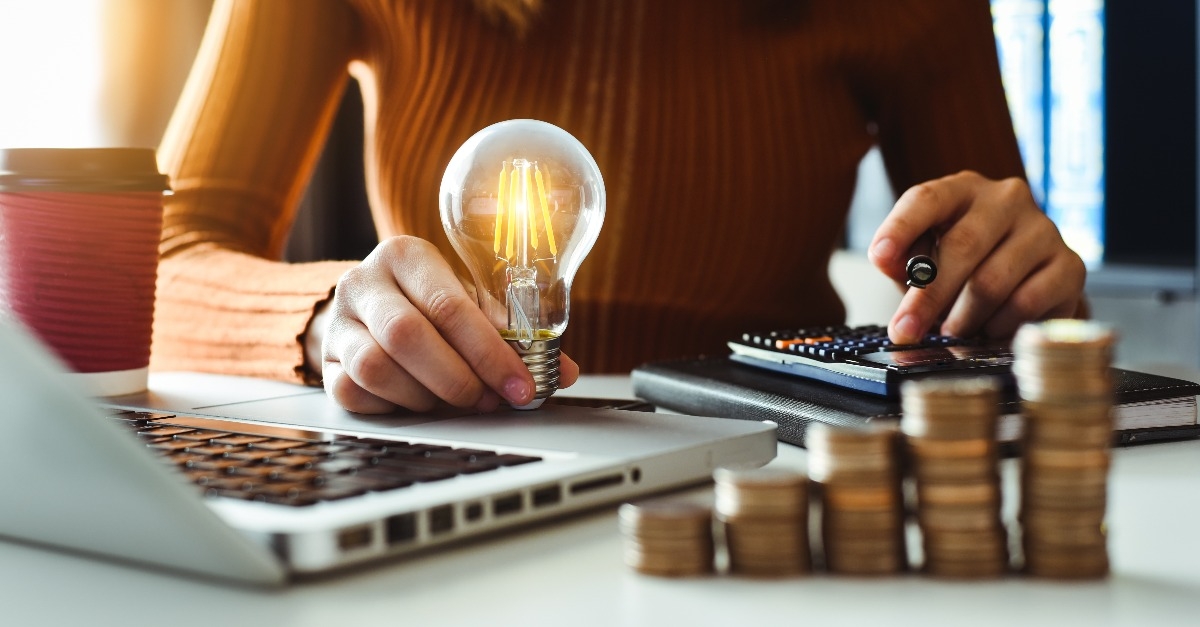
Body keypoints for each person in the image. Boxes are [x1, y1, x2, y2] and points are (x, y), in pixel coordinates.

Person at [152, 0, 1086, 414]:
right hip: (454, 464)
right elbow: (162, 259)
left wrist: (1016, 283)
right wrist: (334, 323)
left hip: (769, 467)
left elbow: (1003, 288)